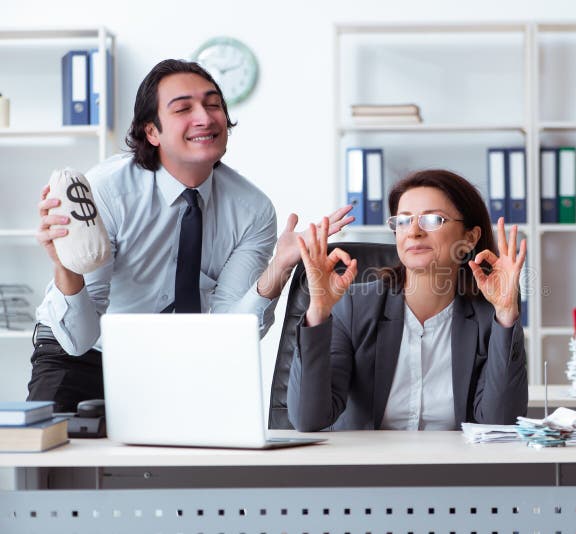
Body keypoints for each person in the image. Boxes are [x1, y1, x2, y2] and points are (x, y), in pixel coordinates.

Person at [29, 59, 353, 412]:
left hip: (175, 363)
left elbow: (233, 331)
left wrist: (279, 267)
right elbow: (79, 338)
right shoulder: (108, 191)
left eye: (213, 104)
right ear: (152, 131)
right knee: (54, 460)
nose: (205, 117)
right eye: (183, 108)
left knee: (185, 463)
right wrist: (66, 266)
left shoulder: (252, 209)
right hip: (81, 352)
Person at [288, 169, 528, 432]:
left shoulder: (486, 315)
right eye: (403, 221)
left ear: (469, 236)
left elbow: (500, 422)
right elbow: (308, 419)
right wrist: (319, 310)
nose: (413, 231)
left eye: (433, 219)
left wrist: (505, 314)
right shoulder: (355, 306)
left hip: (456, 468)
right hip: (368, 468)